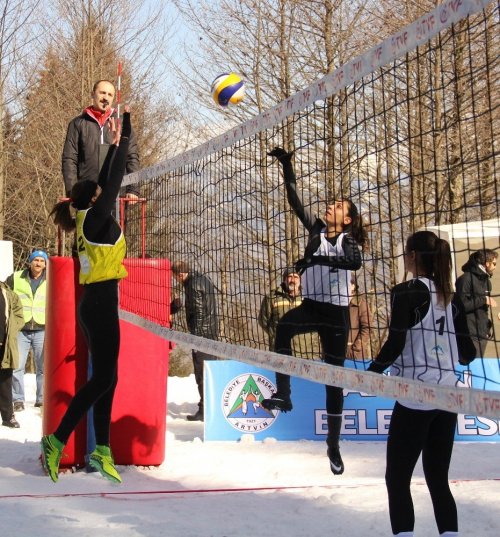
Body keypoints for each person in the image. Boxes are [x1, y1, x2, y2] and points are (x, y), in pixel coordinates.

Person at [262, 147, 367, 475]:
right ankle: (284, 394)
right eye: (332, 203)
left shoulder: (347, 240)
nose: (331, 206)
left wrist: (314, 260)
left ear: (347, 219)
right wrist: (287, 165)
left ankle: (333, 445)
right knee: (282, 327)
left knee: (333, 380)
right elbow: (295, 202)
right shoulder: (316, 231)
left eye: (339, 206)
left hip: (336, 315)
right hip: (311, 306)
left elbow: (354, 262)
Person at [43, 107, 133, 484]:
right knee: (101, 380)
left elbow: (104, 180)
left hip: (96, 303)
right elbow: (112, 179)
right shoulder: (96, 217)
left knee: (107, 378)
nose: (103, 191)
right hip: (98, 305)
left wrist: (111, 144)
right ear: (94, 199)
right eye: (99, 192)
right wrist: (125, 129)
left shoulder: (86, 215)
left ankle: (102, 451)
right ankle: (57, 439)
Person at [368, 230, 476, 537]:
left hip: (417, 396)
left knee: (397, 479)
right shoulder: (450, 296)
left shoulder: (407, 291)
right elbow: (467, 354)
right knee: (438, 480)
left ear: (413, 255)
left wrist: (370, 372)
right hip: (449, 397)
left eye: (405, 251)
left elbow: (395, 343)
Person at [62, 79, 140, 201]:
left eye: (110, 94)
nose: (106, 97)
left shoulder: (123, 123)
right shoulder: (77, 124)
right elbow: (69, 159)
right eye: (102, 92)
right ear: (93, 94)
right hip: (86, 195)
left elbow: (131, 156)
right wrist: (73, 191)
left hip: (117, 195)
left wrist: (133, 189)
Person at [170, 261, 218, 422]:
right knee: (208, 372)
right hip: (211, 332)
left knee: (201, 374)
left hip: (202, 335)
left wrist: (195, 339)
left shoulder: (192, 284)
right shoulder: (203, 278)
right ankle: (209, 408)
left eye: (175, 277)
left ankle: (206, 410)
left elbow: (198, 312)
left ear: (180, 274)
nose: (176, 280)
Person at [6, 250, 48, 411]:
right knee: (17, 366)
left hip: (42, 328)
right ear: (30, 262)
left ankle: (41, 399)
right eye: (35, 260)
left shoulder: (50, 279)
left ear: (45, 264)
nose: (38, 263)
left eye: (41, 261)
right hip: (21, 328)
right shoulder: (16, 278)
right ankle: (18, 400)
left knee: (42, 367)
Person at [455, 249, 497, 358]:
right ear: (486, 263)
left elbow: (482, 310)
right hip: (469, 335)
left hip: (481, 335)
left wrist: (486, 327)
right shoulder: (465, 279)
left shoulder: (486, 281)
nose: (495, 267)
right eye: (494, 263)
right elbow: (460, 306)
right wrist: (483, 299)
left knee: (478, 368)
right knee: (470, 370)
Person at [0, 281, 25, 428]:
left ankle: (8, 416)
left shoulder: (9, 294)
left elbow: (19, 315)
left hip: (4, 343)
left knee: (5, 382)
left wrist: (12, 332)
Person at [346, 275, 372, 360]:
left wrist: (355, 348)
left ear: (353, 286)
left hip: (355, 356)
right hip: (335, 354)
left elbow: (367, 328)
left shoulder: (361, 304)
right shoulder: (335, 303)